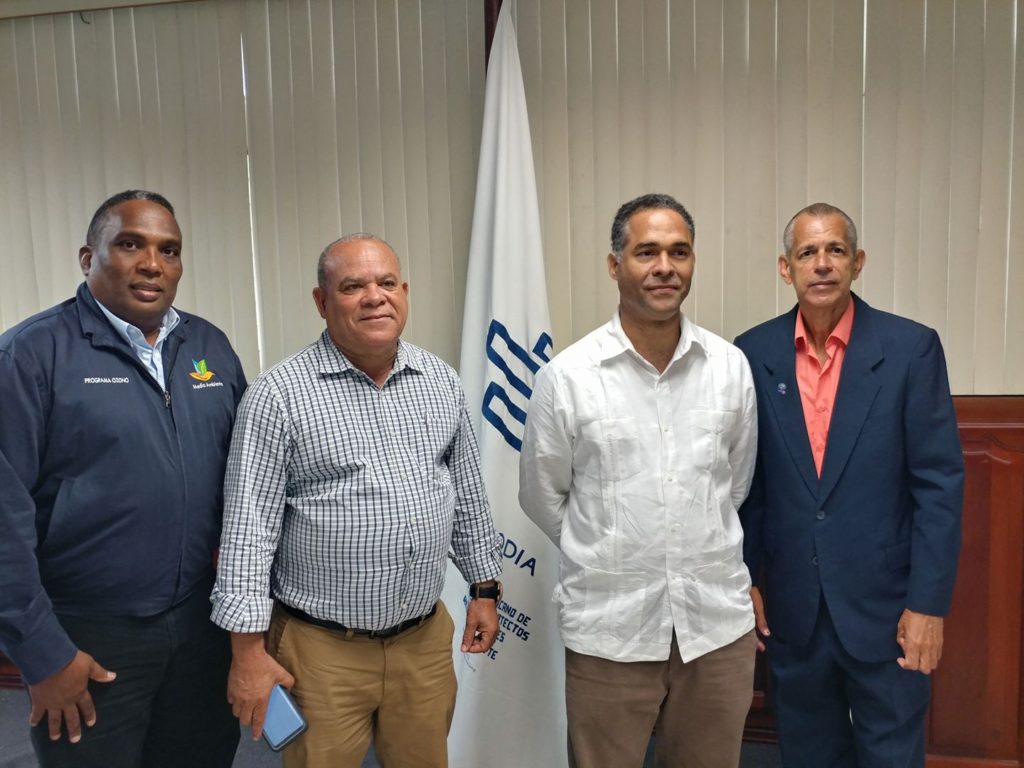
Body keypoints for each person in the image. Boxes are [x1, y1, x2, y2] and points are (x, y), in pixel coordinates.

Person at [211, 232, 503, 768]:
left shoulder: (440, 381)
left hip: (421, 641)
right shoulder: (278, 395)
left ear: (404, 293)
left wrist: (484, 588)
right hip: (321, 651)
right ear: (322, 302)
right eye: (352, 287)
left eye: (387, 282)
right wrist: (247, 653)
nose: (374, 297)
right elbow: (248, 534)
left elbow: (466, 494)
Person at [0, 190, 246, 768]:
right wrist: (43, 656)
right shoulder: (30, 355)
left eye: (169, 250)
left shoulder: (208, 346)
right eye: (130, 244)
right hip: (87, 635)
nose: (152, 264)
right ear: (89, 258)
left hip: (200, 624)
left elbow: (247, 485)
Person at [519, 193, 759, 768]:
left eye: (679, 252)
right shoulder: (568, 377)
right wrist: (608, 547)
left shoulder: (729, 367)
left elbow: (735, 484)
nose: (665, 267)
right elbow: (542, 494)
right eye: (646, 252)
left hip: (714, 628)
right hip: (610, 630)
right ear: (614, 264)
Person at [734, 202, 964, 766]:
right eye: (807, 252)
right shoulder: (752, 354)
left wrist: (928, 605)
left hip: (889, 615)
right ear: (786, 268)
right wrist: (746, 580)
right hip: (793, 612)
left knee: (893, 757)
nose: (822, 264)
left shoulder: (910, 349)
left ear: (857, 263)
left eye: (835, 250)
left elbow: (938, 485)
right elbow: (748, 485)